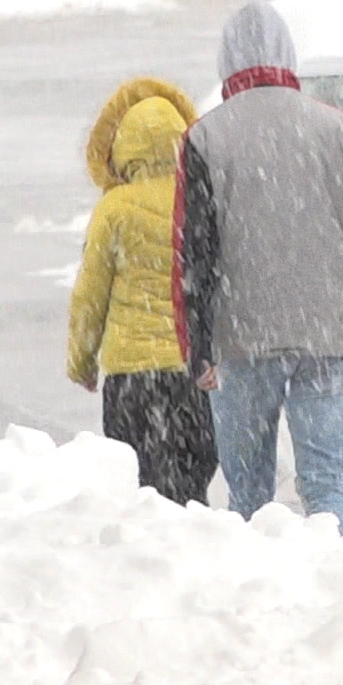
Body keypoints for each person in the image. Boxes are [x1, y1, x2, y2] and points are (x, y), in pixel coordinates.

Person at [174, 2, 343, 537]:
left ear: (225, 62)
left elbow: (194, 252)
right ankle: (342, 588)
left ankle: (260, 597)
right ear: (288, 56)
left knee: (250, 495)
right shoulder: (333, 128)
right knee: (328, 486)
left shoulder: (206, 139)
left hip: (243, 339)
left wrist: (198, 346)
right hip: (325, 331)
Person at [68, 78, 215, 505]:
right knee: (191, 485)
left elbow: (90, 295)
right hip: (191, 371)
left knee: (140, 489)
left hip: (131, 377)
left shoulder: (114, 208)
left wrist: (82, 360)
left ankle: (150, 560)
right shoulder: (199, 198)